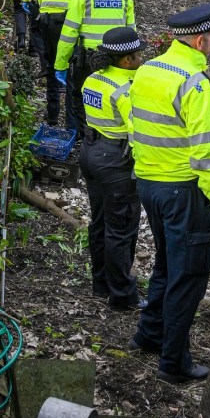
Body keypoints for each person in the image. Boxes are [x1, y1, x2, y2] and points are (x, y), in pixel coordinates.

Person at [128, 4, 210, 385]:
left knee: (167, 264)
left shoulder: (148, 70)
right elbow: (207, 153)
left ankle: (150, 334)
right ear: (201, 41)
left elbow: (133, 124)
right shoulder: (195, 83)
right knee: (188, 276)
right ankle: (174, 363)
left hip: (150, 187)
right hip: (183, 192)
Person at [80, 26, 148, 310]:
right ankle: (122, 295)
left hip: (89, 153)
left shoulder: (93, 79)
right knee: (121, 227)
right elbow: (138, 133)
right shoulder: (127, 90)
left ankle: (101, 282)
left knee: (99, 221)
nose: (142, 57)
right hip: (115, 161)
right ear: (125, 59)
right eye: (138, 54)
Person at [54, 0, 135, 134]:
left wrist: (60, 64)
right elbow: (131, 33)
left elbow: (69, 34)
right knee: (112, 96)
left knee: (79, 98)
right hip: (118, 59)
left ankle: (83, 137)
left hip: (88, 60)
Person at [36, 0, 85, 125]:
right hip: (69, 22)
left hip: (48, 21)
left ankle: (52, 116)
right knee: (70, 69)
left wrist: (44, 8)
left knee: (51, 67)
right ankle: (71, 123)